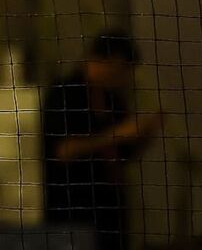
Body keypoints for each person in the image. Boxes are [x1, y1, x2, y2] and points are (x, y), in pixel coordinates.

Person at [43, 31, 163, 250]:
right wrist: (117, 134)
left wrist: (144, 134)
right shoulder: (65, 92)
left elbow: (123, 155)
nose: (124, 77)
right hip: (73, 209)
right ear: (102, 60)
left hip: (109, 208)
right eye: (121, 68)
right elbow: (64, 150)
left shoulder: (112, 99)